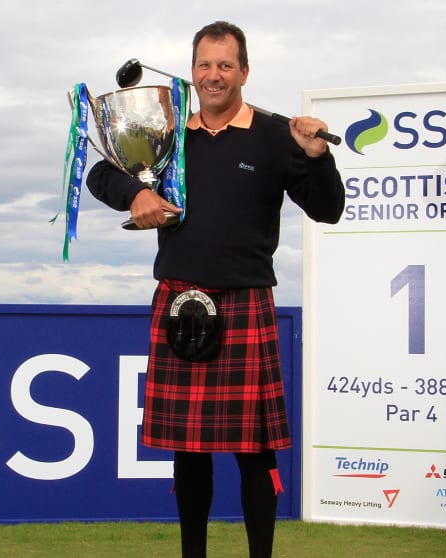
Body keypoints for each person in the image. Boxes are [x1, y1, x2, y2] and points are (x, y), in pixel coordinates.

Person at [86, 21, 345, 558]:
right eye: (204, 65)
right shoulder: (168, 134)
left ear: (244, 72)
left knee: (255, 453)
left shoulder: (277, 136)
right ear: (192, 72)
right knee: (189, 453)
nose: (213, 75)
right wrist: (136, 193)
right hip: (180, 305)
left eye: (225, 65)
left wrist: (318, 157)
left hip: (245, 304)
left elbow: (329, 209)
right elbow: (98, 175)